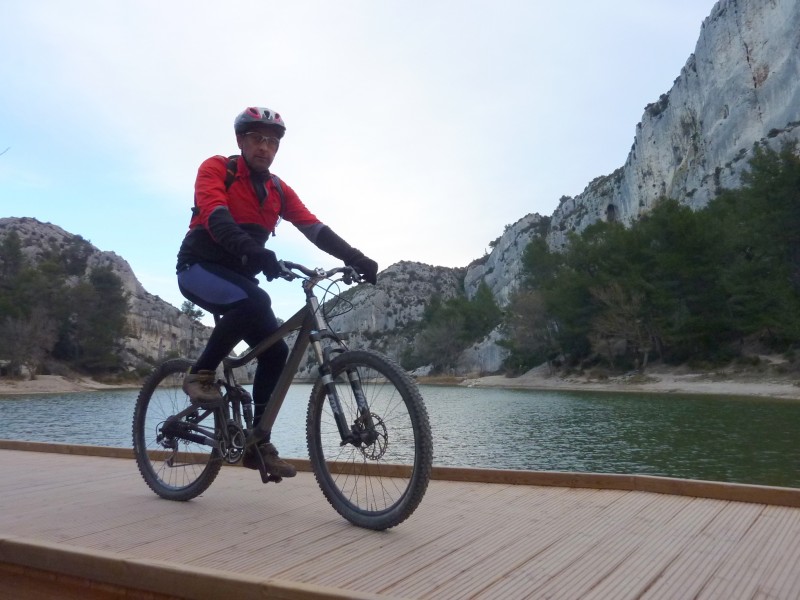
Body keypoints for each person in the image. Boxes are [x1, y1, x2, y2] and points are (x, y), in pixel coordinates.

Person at [175, 106, 378, 477]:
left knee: (276, 352)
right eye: (256, 138)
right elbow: (215, 217)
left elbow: (313, 227)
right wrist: (254, 251)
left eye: (271, 141)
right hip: (198, 268)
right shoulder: (218, 169)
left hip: (239, 280)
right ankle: (199, 373)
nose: (264, 147)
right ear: (241, 141)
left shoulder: (278, 190)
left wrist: (356, 257)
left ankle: (257, 441)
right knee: (255, 300)